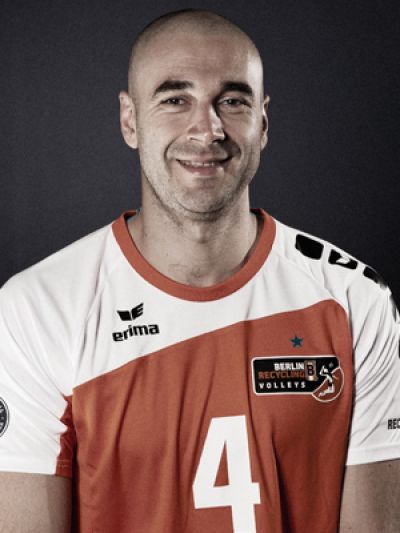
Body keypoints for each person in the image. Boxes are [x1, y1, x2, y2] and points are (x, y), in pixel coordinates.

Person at [0, 8, 399, 533]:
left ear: (262, 121)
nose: (207, 130)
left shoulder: (354, 299)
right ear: (130, 120)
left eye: (232, 101)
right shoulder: (36, 309)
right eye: (175, 99)